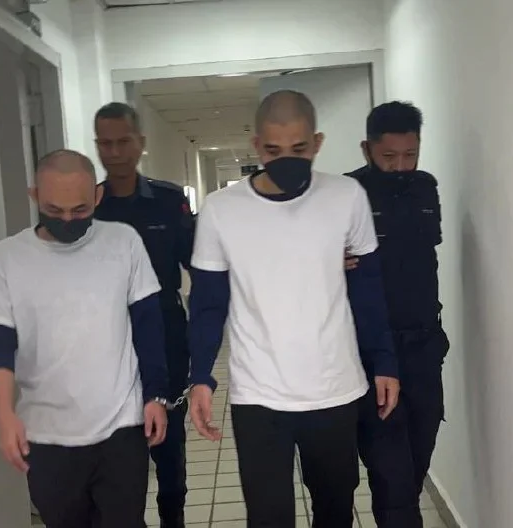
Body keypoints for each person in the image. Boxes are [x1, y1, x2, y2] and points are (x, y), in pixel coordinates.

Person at [186, 90, 400, 528]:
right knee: (268, 518)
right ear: (256, 146)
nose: (286, 159)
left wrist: (385, 361)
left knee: (335, 512)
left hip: (335, 388)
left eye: (299, 149)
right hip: (258, 395)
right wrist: (201, 376)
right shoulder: (221, 210)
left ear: (317, 143)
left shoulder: (346, 196)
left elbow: (368, 289)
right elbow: (208, 303)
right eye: (273, 150)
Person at [0, 149, 169, 528]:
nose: (67, 219)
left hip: (120, 426)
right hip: (46, 435)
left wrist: (155, 395)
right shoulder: (6, 259)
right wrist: (3, 415)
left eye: (79, 210)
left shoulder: (123, 243)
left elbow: (148, 325)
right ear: (35, 196)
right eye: (54, 209)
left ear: (97, 196)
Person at [346, 101, 449, 527]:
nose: (401, 166)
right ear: (367, 149)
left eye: (411, 155)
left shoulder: (426, 187)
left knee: (417, 464)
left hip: (424, 349)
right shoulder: (346, 195)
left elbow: (425, 256)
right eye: (389, 156)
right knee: (391, 476)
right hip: (372, 354)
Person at [92, 102, 194, 528]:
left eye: (123, 141)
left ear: (141, 143)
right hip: (108, 341)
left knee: (169, 449)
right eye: (105, 143)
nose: (114, 152)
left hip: (166, 337)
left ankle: (173, 519)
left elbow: (199, 264)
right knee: (120, 451)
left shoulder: (169, 202)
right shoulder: (89, 206)